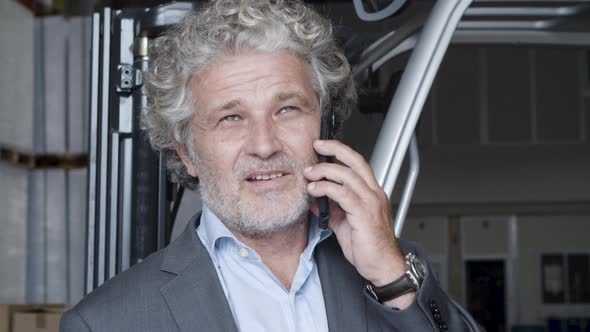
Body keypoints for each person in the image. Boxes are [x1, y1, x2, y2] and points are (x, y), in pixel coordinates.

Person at [60, 0, 480, 331]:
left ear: (325, 125)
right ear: (186, 153)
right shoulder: (105, 323)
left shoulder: (392, 273)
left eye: (288, 109)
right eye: (231, 118)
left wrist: (391, 275)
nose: (264, 145)